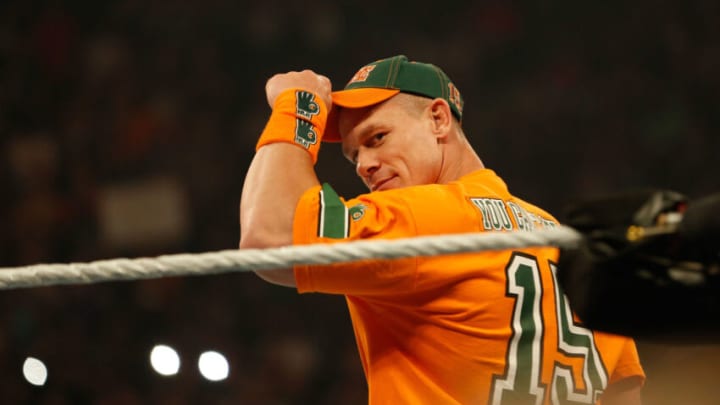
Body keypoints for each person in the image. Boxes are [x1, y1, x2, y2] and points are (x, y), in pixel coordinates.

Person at [239, 55, 645, 405]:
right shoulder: (567, 242)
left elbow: (270, 238)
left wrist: (298, 108)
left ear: (438, 119)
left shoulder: (428, 217)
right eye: (353, 156)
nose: (364, 164)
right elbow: (624, 389)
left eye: (378, 138)